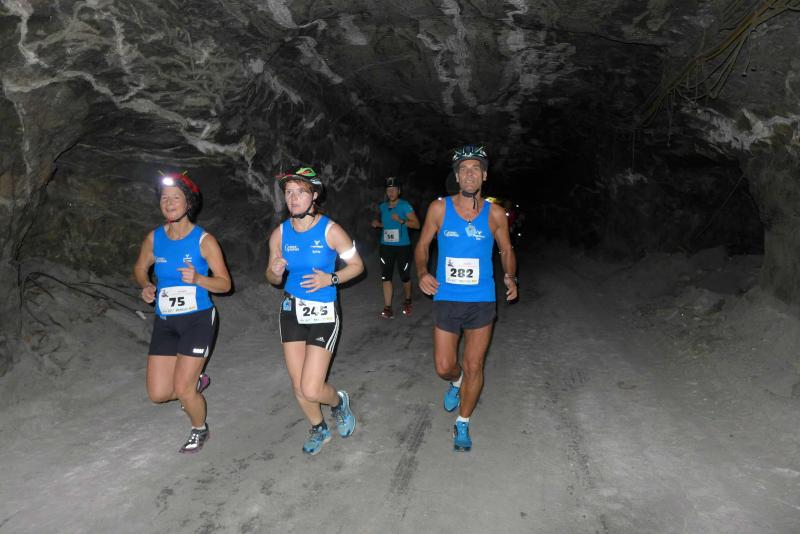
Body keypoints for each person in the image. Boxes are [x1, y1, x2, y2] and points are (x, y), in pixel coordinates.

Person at [414, 145, 518, 451]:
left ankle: (463, 421)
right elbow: (422, 246)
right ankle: (455, 381)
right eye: (463, 169)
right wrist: (422, 272)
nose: (469, 174)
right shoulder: (439, 209)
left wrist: (510, 276)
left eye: (475, 169)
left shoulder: (495, 213)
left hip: (481, 298)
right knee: (445, 366)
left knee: (474, 364)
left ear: (484, 176)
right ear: (457, 177)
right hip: (446, 296)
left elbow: (506, 249)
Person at [266, 165, 364, 455]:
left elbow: (357, 266)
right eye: (289, 192)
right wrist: (274, 272)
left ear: (314, 195)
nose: (293, 198)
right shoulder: (280, 234)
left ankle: (339, 403)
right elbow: (271, 277)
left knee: (311, 388)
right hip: (291, 310)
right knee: (298, 385)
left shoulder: (331, 231)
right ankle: (318, 427)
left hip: (323, 311)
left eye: (301, 192)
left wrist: (330, 278)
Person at [134, 172, 231, 453]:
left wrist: (199, 279)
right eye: (164, 198)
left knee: (183, 390)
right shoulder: (154, 238)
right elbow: (140, 268)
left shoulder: (204, 241)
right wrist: (146, 285)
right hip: (166, 322)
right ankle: (195, 381)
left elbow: (225, 284)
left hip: (197, 320)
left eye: (175, 197)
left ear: (188, 203)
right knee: (158, 394)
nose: (169, 203)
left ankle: (199, 429)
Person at [370, 177, 420, 318]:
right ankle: (388, 307)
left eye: (393, 190)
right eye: (388, 190)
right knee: (386, 276)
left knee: (404, 275)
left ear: (399, 191)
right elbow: (387, 225)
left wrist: (401, 221)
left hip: (403, 247)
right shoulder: (383, 206)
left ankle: (408, 301)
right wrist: (378, 224)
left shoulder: (405, 206)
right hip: (386, 247)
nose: (391, 193)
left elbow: (417, 224)